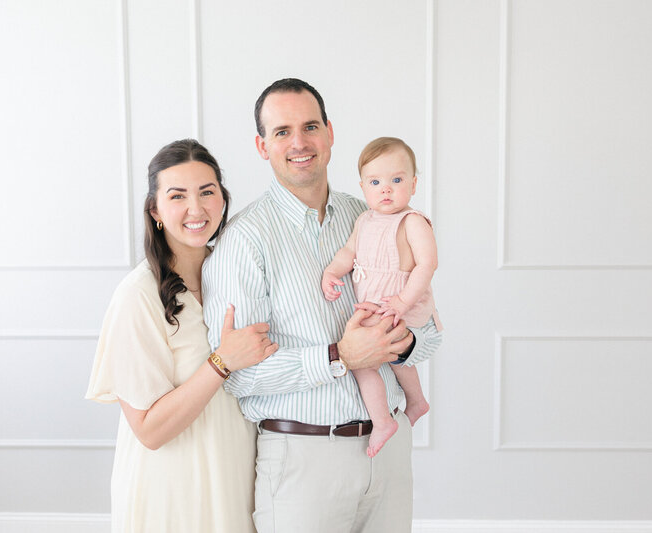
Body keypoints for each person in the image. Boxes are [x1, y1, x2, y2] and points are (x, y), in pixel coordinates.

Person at [202, 79, 442, 533]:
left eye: (310, 126)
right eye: (281, 131)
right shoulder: (244, 241)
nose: (299, 142)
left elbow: (431, 335)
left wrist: (405, 341)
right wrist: (340, 357)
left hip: (389, 454)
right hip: (304, 463)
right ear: (262, 145)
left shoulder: (377, 216)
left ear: (330, 133)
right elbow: (240, 375)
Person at [85, 139, 277, 533]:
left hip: (235, 477)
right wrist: (222, 362)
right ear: (155, 210)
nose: (196, 208)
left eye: (207, 192)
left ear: (222, 198)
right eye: (177, 196)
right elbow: (149, 430)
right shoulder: (137, 296)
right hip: (170, 492)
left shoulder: (235, 273)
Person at [321, 136, 443, 458]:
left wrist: (402, 301)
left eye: (397, 180)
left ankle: (383, 420)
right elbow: (349, 252)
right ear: (363, 187)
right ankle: (414, 403)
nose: (386, 189)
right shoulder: (364, 220)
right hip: (377, 308)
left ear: (414, 184)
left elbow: (428, 264)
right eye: (376, 182)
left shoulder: (412, 222)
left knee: (372, 360)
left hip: (403, 304)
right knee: (378, 358)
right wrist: (332, 272)